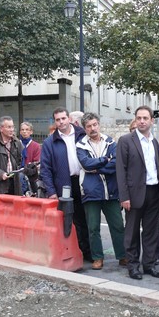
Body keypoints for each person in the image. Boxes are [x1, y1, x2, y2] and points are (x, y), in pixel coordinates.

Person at [116, 106, 159, 280]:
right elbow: (120, 170)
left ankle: (149, 265)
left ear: (152, 121)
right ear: (135, 120)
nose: (142, 121)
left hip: (154, 191)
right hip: (134, 194)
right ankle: (132, 265)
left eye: (145, 118)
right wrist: (124, 197)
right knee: (131, 232)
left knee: (151, 231)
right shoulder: (126, 140)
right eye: (139, 118)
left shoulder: (153, 141)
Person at [75, 113, 126, 270]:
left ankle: (123, 256)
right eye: (89, 126)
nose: (93, 128)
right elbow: (85, 164)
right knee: (93, 227)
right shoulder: (80, 145)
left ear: (99, 124)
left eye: (95, 124)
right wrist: (105, 160)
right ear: (85, 128)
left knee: (117, 225)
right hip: (91, 192)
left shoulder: (111, 142)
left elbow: (116, 164)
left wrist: (97, 167)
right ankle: (97, 257)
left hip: (111, 191)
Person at [40, 107, 92, 262]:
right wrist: (51, 191)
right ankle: (78, 251)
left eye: (63, 118)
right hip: (64, 185)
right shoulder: (50, 142)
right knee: (71, 220)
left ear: (69, 118)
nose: (61, 122)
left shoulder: (82, 134)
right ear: (55, 122)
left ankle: (91, 251)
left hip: (84, 182)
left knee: (89, 218)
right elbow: (45, 169)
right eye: (57, 120)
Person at [19, 122, 41, 194]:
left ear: (31, 132)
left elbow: (37, 162)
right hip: (17, 172)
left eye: (27, 129)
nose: (24, 131)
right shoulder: (16, 144)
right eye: (22, 130)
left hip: (30, 175)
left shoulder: (36, 146)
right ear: (20, 132)